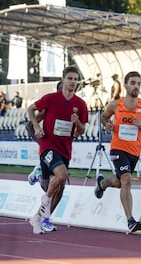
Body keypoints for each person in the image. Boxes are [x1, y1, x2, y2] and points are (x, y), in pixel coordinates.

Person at [27, 66, 88, 234]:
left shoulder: (80, 104)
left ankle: (41, 218)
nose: (73, 82)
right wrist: (37, 127)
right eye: (70, 78)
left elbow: (82, 131)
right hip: (48, 146)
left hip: (65, 149)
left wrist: (77, 123)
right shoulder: (50, 99)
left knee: (59, 187)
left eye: (76, 79)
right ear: (62, 80)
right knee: (62, 176)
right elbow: (30, 110)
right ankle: (45, 198)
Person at [94, 71, 141, 233]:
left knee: (119, 182)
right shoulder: (116, 104)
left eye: (138, 83)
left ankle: (102, 184)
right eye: (133, 83)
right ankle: (130, 220)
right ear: (126, 84)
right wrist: (107, 124)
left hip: (134, 151)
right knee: (127, 180)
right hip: (117, 148)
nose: (136, 86)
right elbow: (104, 117)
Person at [27, 81, 67, 232]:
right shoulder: (49, 107)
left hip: (63, 151)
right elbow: (29, 125)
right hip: (49, 151)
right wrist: (42, 142)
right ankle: (38, 174)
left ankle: (44, 219)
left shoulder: (71, 109)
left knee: (60, 189)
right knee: (52, 186)